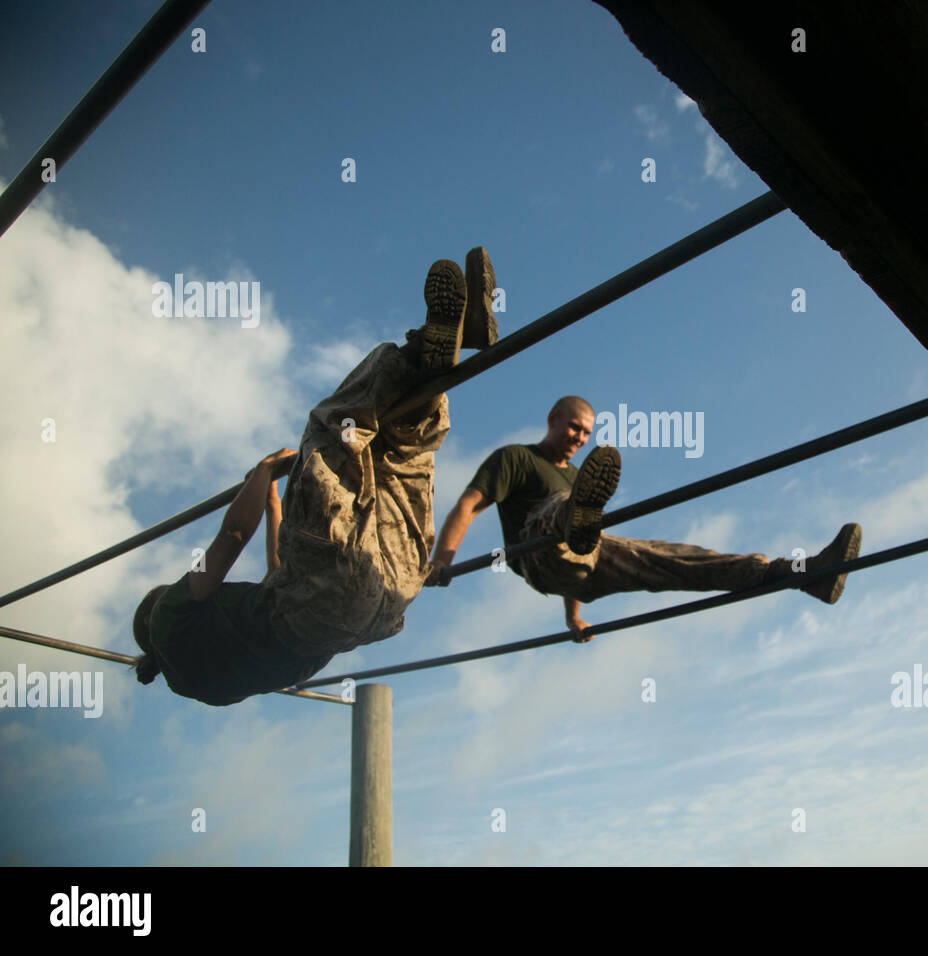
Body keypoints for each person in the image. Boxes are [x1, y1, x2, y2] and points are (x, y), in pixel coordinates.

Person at [131, 249, 498, 705]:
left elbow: (281, 579)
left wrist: (272, 504)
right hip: (322, 597)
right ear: (156, 615)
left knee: (397, 464)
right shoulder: (169, 617)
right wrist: (264, 474)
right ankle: (423, 350)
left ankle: (445, 354)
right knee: (335, 429)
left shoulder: (202, 683)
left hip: (383, 601)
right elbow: (231, 535)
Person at [428, 396, 862, 638]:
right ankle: (575, 518)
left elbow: (576, 557)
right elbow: (468, 504)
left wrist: (572, 618)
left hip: (585, 569)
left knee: (680, 559)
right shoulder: (516, 459)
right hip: (538, 559)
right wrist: (443, 558)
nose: (579, 437)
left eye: (586, 432)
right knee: (561, 512)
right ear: (552, 419)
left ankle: (804, 574)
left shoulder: (577, 476)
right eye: (574, 426)